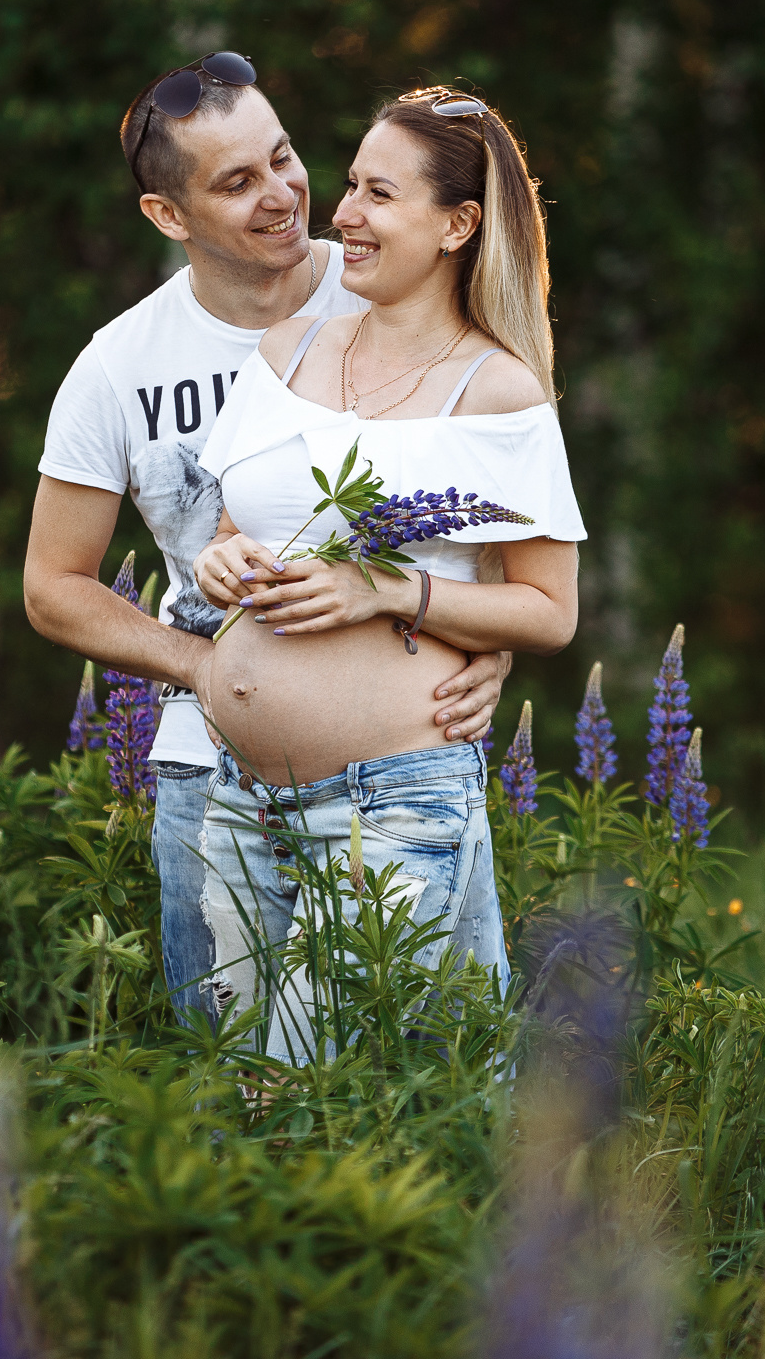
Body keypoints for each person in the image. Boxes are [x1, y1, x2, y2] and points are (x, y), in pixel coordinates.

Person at [23, 56, 513, 1026]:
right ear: (169, 217)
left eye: (284, 158)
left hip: (406, 772)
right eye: (237, 182)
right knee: (236, 1081)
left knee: (435, 1075)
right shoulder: (120, 365)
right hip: (212, 778)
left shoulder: (391, 285)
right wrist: (199, 667)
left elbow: (496, 498)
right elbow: (53, 585)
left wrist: (490, 640)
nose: (285, 195)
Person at [190, 86, 586, 1063]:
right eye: (351, 185)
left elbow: (548, 609)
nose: (343, 215)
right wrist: (220, 557)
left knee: (301, 1089)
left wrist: (393, 589)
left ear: (458, 225)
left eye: (378, 195)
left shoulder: (495, 388)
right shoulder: (285, 350)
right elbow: (236, 528)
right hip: (240, 797)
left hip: (392, 800)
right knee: (247, 1094)